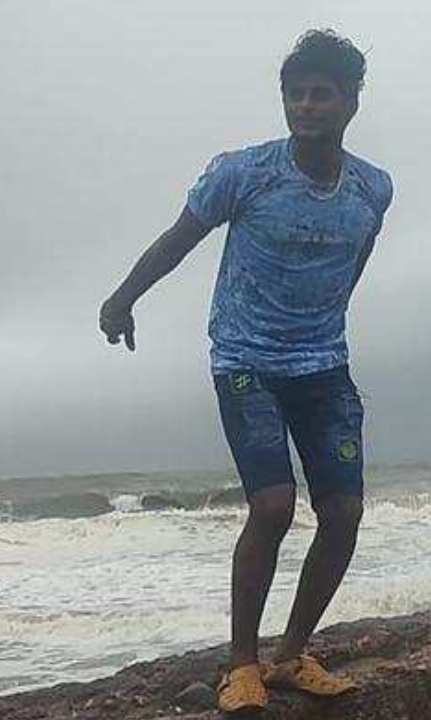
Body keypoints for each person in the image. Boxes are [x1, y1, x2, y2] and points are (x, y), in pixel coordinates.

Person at [98, 31, 393, 713]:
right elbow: (179, 238)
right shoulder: (244, 172)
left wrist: (327, 315)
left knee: (344, 511)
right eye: (296, 94)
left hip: (323, 365)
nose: (307, 106)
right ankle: (241, 665)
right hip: (245, 360)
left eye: (322, 94)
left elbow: (357, 253)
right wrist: (122, 299)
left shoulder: (372, 188)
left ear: (351, 101)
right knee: (272, 505)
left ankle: (291, 654)